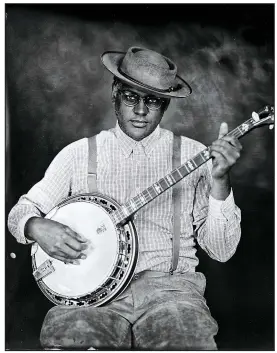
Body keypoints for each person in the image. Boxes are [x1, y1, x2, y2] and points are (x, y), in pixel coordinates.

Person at [8, 46, 242, 350]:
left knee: (188, 343)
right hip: (88, 300)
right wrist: (36, 226)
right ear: (115, 94)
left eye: (153, 101)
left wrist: (220, 181)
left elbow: (221, 250)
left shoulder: (194, 155)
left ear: (166, 104)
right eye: (131, 97)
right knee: (71, 342)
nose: (141, 110)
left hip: (171, 293)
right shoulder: (78, 154)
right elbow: (19, 213)